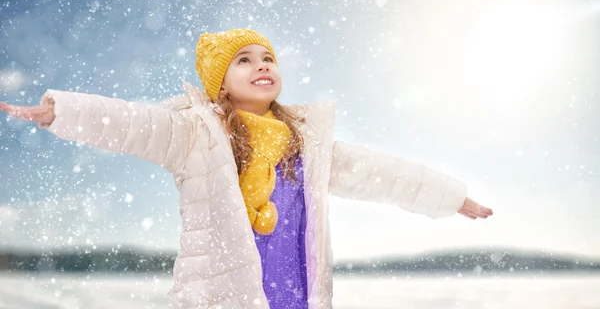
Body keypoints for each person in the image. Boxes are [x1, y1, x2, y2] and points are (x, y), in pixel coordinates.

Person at [0, 28, 493, 309]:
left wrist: (452, 197)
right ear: (220, 83)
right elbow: (136, 123)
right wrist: (62, 111)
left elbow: (379, 172)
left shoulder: (306, 144)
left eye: (268, 57)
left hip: (295, 294)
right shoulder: (197, 134)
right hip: (223, 294)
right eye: (244, 60)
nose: (262, 65)